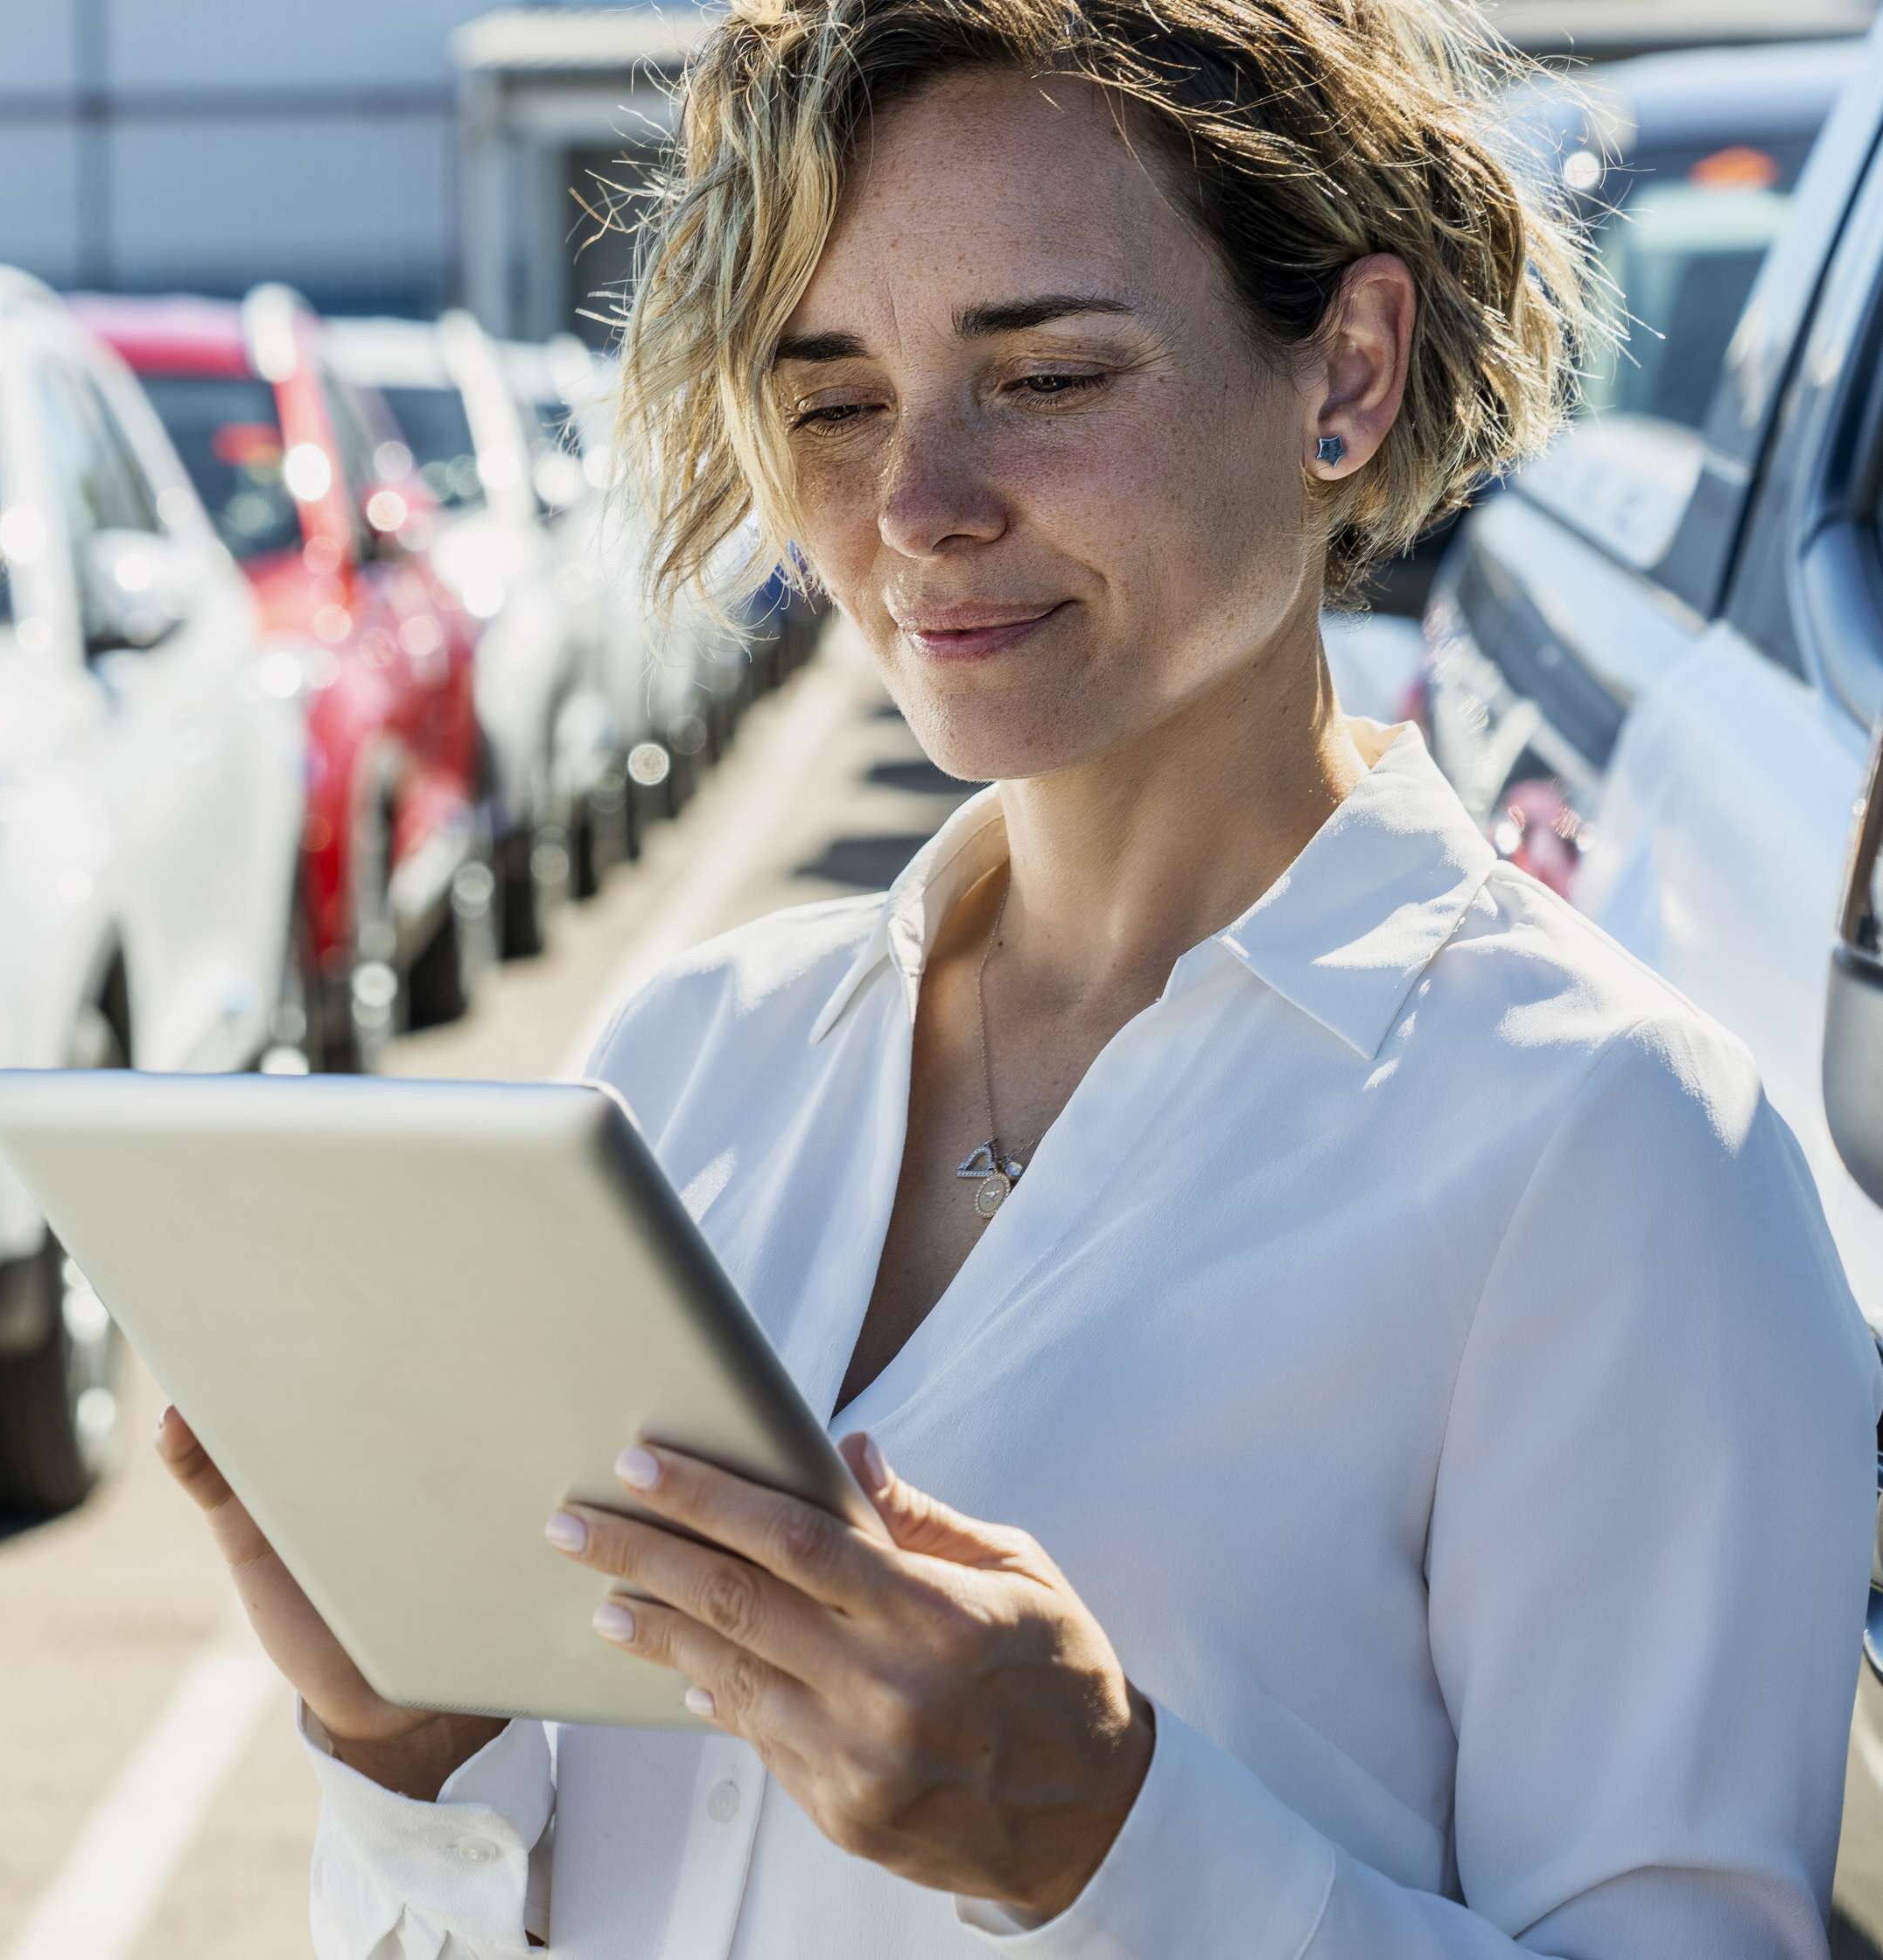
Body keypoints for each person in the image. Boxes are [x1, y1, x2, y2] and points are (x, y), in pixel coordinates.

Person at [158, 0, 1881, 1951]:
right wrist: (408, 1743)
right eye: (830, 401)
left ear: (1348, 372)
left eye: (1044, 375)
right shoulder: (694, 1058)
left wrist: (1114, 1844)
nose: (916, 508)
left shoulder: (1615, 1146)